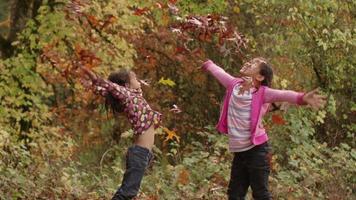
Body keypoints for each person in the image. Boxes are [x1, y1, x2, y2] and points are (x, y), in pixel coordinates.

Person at [200, 58, 326, 200]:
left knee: (260, 194)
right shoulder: (233, 84)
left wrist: (302, 98)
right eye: (250, 60)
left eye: (254, 64)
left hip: (257, 151)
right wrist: (208, 64)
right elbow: (219, 72)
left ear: (260, 76)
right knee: (234, 195)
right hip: (240, 154)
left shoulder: (262, 93)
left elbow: (284, 94)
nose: (248, 62)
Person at [81, 67, 161, 200]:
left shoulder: (134, 98)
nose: (139, 80)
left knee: (131, 193)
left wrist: (92, 86)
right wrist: (96, 80)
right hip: (139, 154)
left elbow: (108, 93)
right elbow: (113, 88)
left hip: (144, 155)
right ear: (127, 85)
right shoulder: (128, 96)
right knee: (127, 193)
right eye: (135, 78)